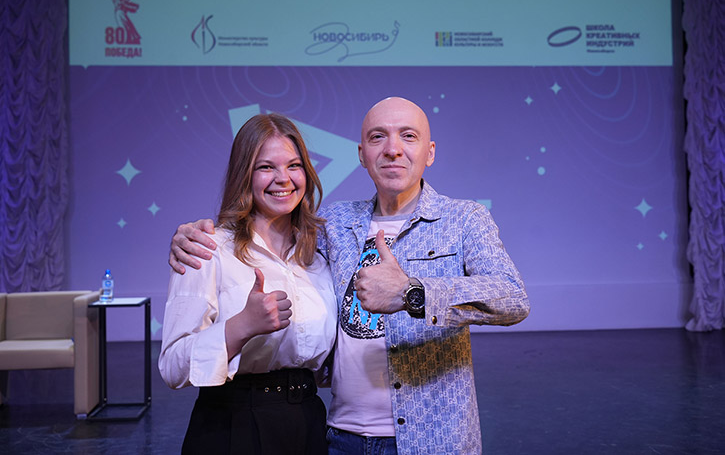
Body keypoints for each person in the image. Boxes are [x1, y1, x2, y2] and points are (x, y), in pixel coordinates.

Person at [169, 97, 530, 454]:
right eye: (378, 137)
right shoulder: (333, 226)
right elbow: (268, 239)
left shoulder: (464, 219)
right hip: (340, 437)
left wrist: (412, 293)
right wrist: (188, 236)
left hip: (431, 439)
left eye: (408, 136)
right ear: (361, 154)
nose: (392, 149)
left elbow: (512, 296)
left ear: (430, 152)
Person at [159, 113, 337, 454]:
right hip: (232, 425)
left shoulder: (318, 256)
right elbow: (173, 367)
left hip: (308, 423)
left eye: (294, 165)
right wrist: (240, 327)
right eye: (265, 167)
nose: (283, 179)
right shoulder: (206, 249)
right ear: (245, 174)